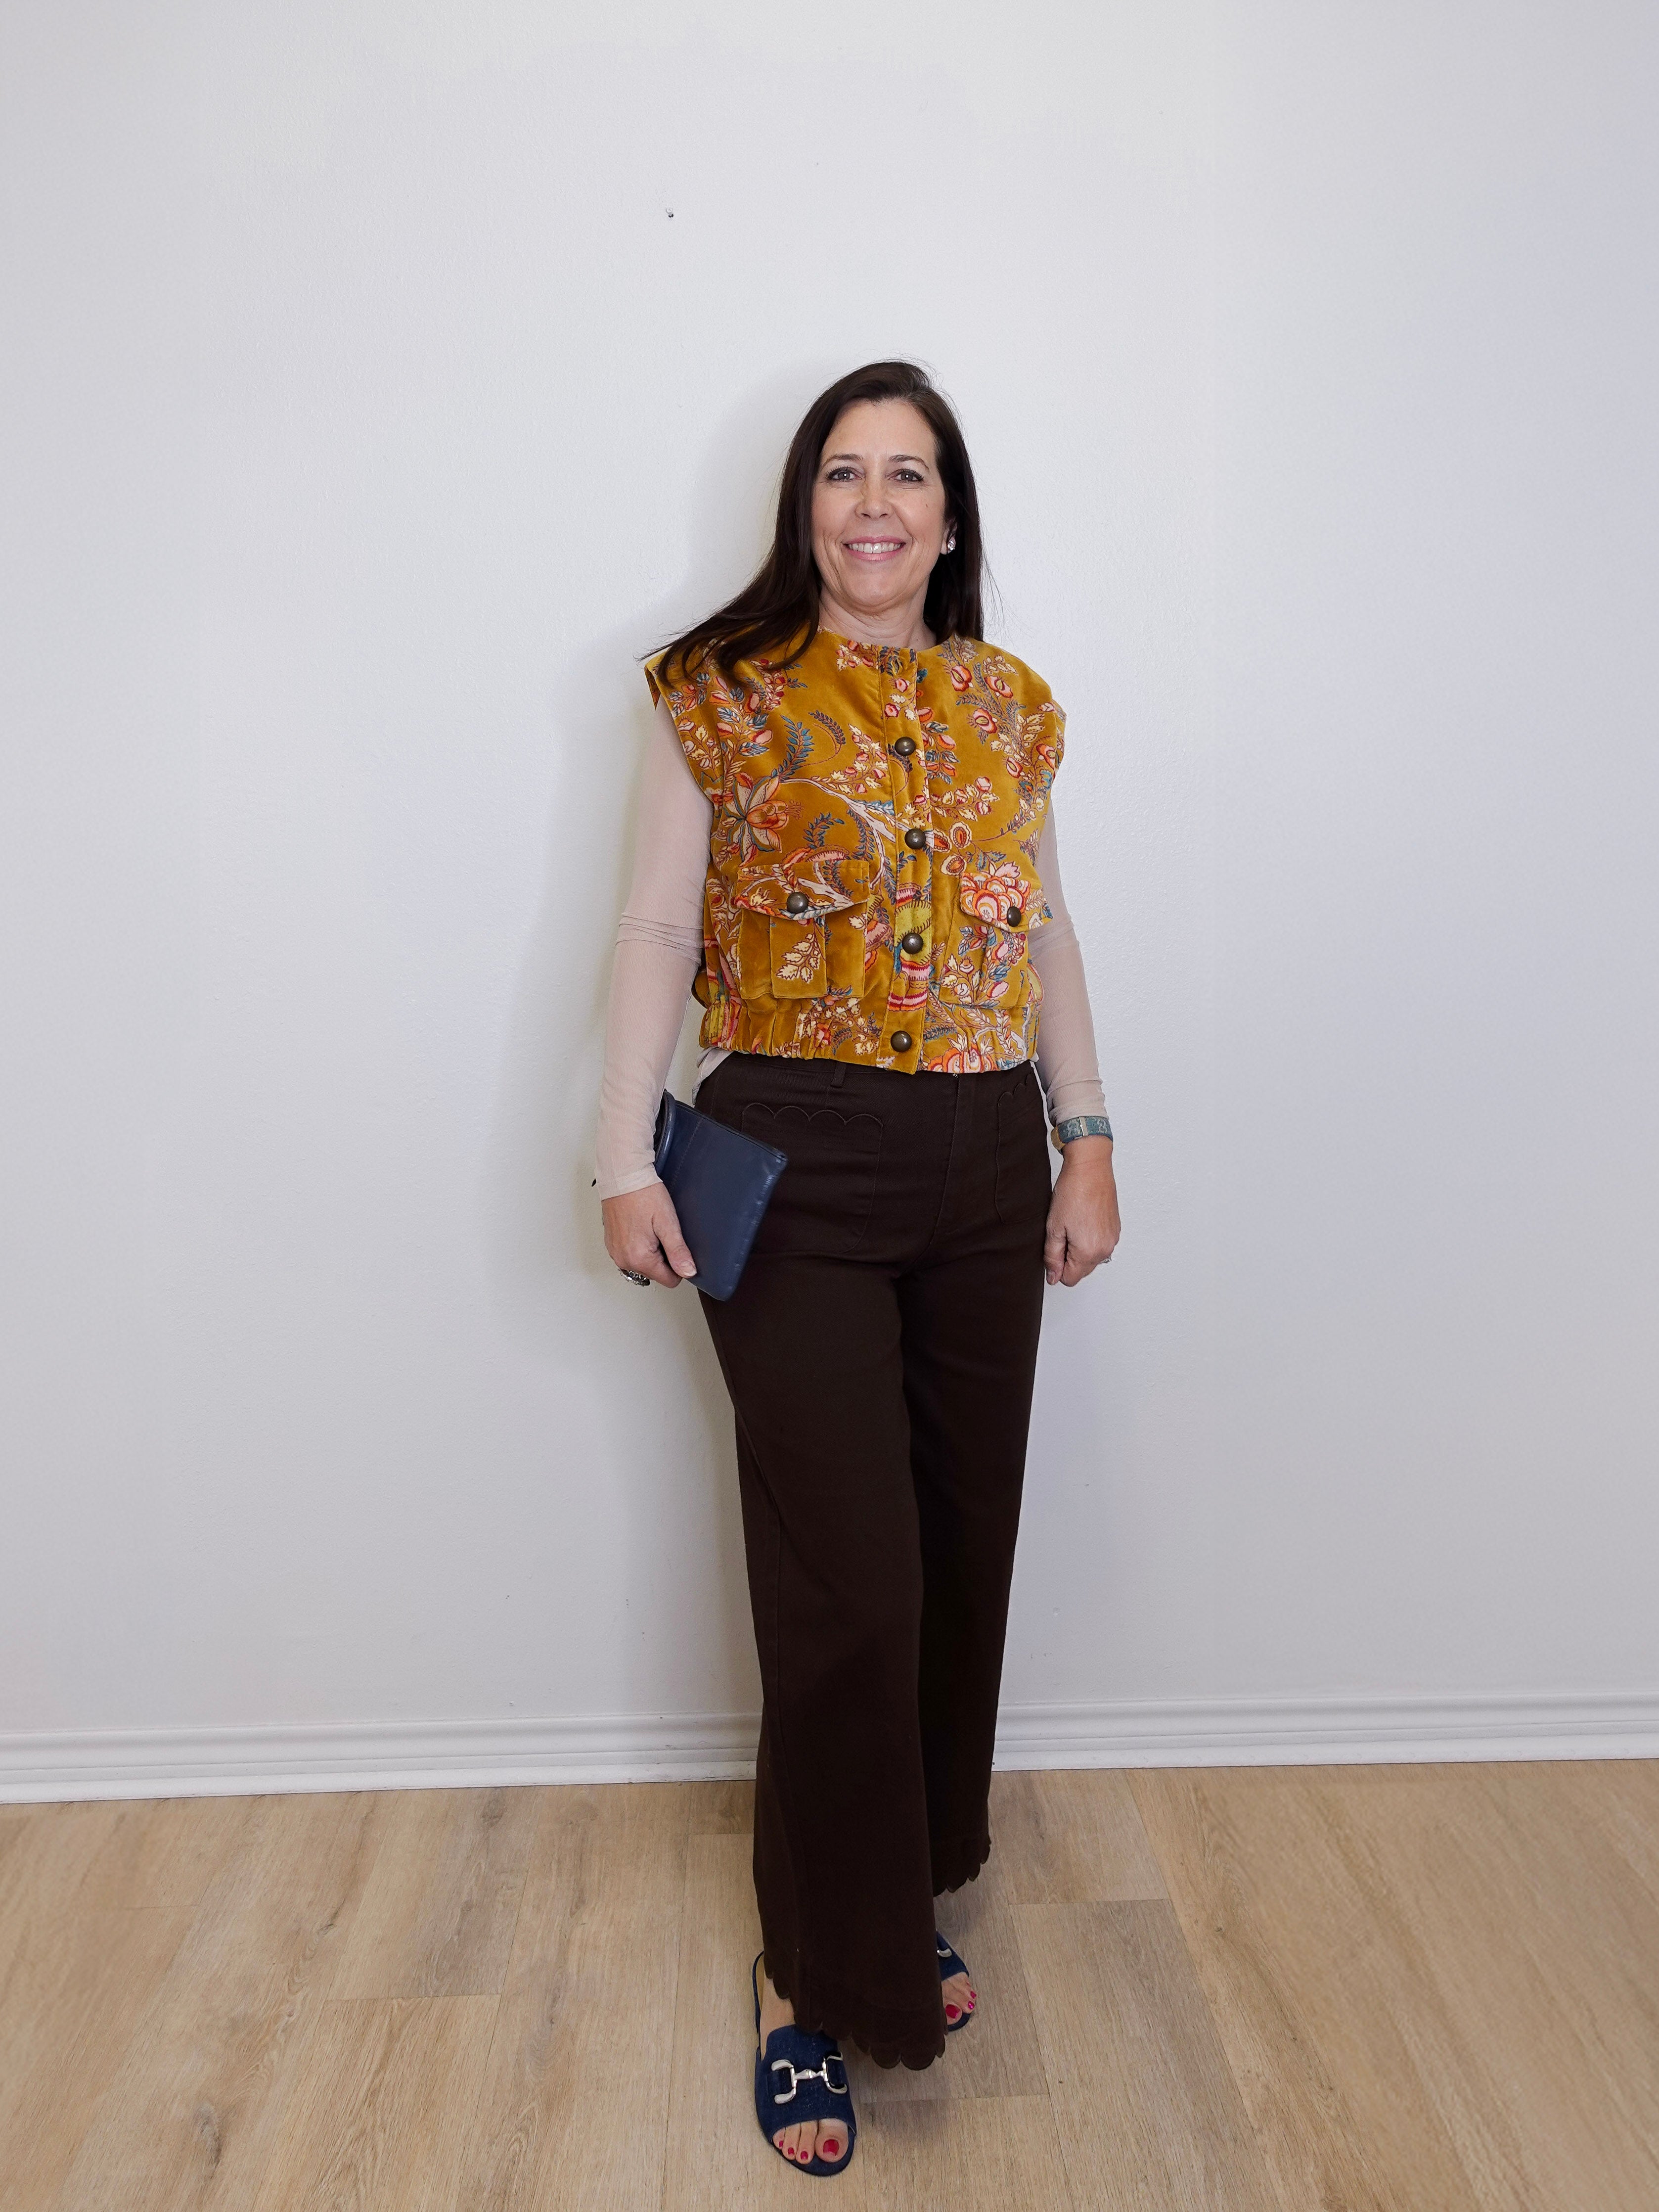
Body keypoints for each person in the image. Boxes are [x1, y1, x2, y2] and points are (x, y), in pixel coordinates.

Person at [594, 360, 1120, 2176]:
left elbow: (1039, 923)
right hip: (786, 1158)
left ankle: (894, 1899)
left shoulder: (1010, 709)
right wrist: (615, 1156)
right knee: (850, 1584)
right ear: (802, 510)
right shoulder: (717, 698)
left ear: (951, 517)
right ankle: (805, 1980)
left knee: (961, 1550)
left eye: (908, 476)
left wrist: (1088, 1136)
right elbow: (661, 925)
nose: (874, 505)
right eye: (842, 475)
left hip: (985, 1153)